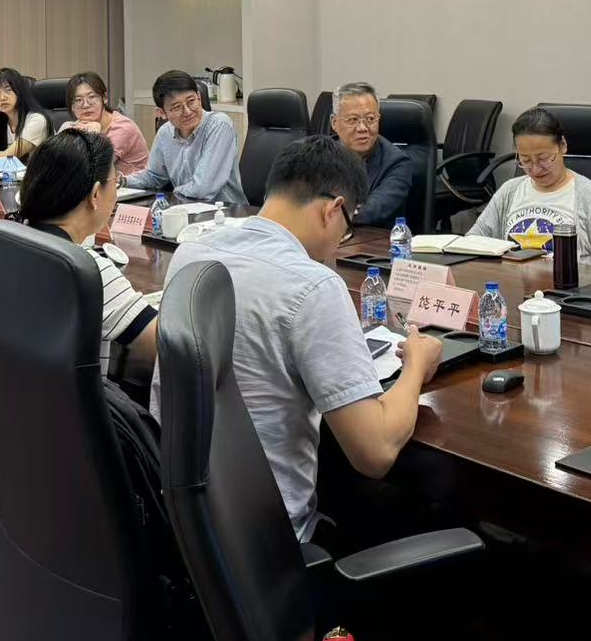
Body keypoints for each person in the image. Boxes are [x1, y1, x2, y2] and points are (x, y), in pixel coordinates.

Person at [154, 136, 444, 542]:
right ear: (333, 209)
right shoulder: (313, 285)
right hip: (271, 540)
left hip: (187, 523)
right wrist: (416, 364)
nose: (342, 239)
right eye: (347, 226)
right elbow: (375, 453)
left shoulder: (191, 254)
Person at [0, 128, 157, 437]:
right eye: (115, 183)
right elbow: (171, 348)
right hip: (56, 453)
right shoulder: (85, 269)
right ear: (95, 195)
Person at [467, 106, 591, 273]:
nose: (535, 169)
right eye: (525, 160)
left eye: (544, 158)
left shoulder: (588, 194)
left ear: (563, 145)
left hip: (567, 288)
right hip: (514, 287)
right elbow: (471, 244)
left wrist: (580, 273)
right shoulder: (510, 191)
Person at [121, 68, 245, 210]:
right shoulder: (165, 133)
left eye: (191, 101)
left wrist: (174, 193)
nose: (187, 111)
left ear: (199, 98)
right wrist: (122, 182)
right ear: (162, 113)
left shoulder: (219, 125)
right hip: (184, 211)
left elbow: (202, 189)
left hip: (226, 214)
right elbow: (154, 176)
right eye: (176, 107)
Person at [330, 82, 412, 229]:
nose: (363, 128)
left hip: (371, 237)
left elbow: (372, 211)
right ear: (335, 123)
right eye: (353, 120)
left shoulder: (397, 163)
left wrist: (325, 213)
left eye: (370, 119)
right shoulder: (319, 156)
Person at [61, 70, 150, 175]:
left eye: (91, 97)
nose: (85, 105)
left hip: (132, 184)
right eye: (78, 100)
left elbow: (94, 167)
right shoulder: (76, 126)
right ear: (72, 106)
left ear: (104, 98)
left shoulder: (122, 128)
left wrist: (93, 134)